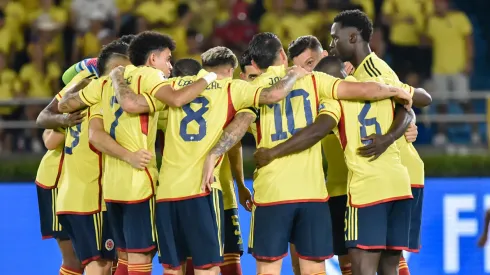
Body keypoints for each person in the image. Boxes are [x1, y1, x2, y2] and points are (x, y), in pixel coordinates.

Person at [200, 32, 413, 275]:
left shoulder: (252, 90)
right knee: (314, 270)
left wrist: (213, 155)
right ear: (283, 55)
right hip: (313, 195)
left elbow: (237, 126)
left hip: (272, 193)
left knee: (268, 269)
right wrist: (396, 91)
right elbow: (363, 89)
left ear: (256, 65)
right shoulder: (315, 81)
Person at [112, 45, 311, 274]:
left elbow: (132, 104)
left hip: (166, 193)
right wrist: (294, 73)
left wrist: (118, 76)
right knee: (208, 268)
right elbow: (273, 95)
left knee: (172, 269)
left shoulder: (173, 87)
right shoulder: (232, 88)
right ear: (230, 70)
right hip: (203, 189)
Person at [58, 31, 217, 275]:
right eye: (167, 58)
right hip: (138, 180)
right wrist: (208, 78)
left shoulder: (104, 82)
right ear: (153, 59)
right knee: (141, 256)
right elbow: (175, 99)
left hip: (112, 186)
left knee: (124, 257)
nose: (169, 66)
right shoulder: (149, 75)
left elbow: (64, 105)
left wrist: (85, 82)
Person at [287, 35, 422, 275]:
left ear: (325, 59)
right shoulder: (303, 94)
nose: (308, 73)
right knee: (351, 260)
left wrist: (402, 129)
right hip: (339, 186)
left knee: (380, 260)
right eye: (301, 68)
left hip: (367, 184)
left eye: (310, 64)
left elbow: (411, 101)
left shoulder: (362, 78)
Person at [328, 10, 431, 274]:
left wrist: (388, 138)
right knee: (387, 262)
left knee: (371, 260)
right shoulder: (357, 73)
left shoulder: (375, 70)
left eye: (334, 38)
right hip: (390, 173)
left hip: (394, 172)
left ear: (352, 37)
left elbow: (413, 103)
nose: (331, 45)